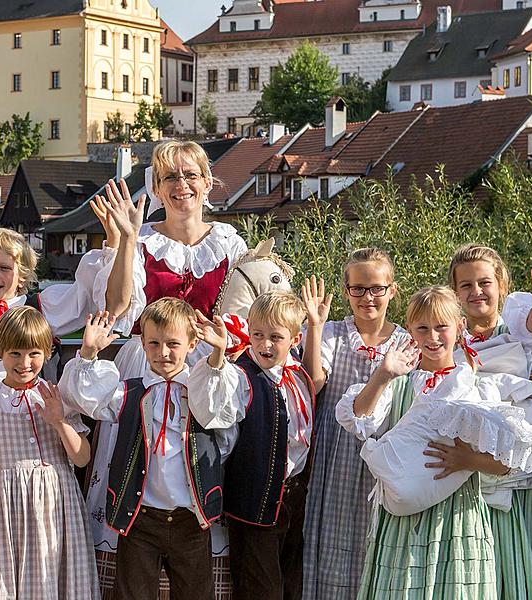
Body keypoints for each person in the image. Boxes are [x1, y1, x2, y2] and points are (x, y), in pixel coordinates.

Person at [90, 140, 248, 596]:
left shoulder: (229, 242)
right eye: (170, 178)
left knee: (199, 467)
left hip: (206, 366)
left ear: (207, 182)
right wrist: (123, 241)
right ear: (157, 188)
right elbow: (119, 309)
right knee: (137, 465)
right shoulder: (143, 239)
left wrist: (222, 352)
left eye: (190, 175)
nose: (182, 185)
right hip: (147, 358)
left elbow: (244, 315)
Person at [336, 286, 532, 598]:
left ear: (460, 327)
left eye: (441, 327)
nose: (432, 337)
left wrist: (465, 460)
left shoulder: (477, 387)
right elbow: (358, 418)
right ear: (410, 330)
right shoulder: (399, 384)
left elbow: (505, 463)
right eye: (422, 328)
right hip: (405, 523)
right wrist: (383, 374)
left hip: (457, 519)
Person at [60, 299, 235, 600]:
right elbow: (80, 396)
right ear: (142, 344)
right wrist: (88, 353)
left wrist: (218, 356)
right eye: (153, 343)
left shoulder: (202, 388)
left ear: (193, 344)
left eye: (172, 344)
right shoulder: (126, 392)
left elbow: (219, 414)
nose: (163, 352)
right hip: (139, 518)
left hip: (190, 520)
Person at [0, 306, 98, 599]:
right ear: (0, 352)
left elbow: (82, 458)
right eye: (15, 353)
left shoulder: (59, 397)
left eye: (34, 353)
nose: (25, 362)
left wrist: (60, 421)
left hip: (58, 511)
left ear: (46, 352)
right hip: (6, 513)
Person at [449, 243, 532, 598]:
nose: (476, 291)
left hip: (514, 468)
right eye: (465, 285)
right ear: (455, 292)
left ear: (500, 285)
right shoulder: (450, 337)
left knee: (518, 564)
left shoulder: (514, 332)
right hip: (468, 469)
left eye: (484, 282)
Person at [187, 291, 315, 600]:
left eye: (275, 337)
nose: (265, 344)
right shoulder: (241, 376)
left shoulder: (297, 375)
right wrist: (218, 357)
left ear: (295, 339)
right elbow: (211, 410)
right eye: (257, 335)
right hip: (254, 504)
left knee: (290, 585)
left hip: (294, 497)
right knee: (261, 589)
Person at [299, 249, 411, 599]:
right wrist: (315, 326)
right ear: (346, 291)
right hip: (336, 456)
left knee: (378, 546)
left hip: (386, 458)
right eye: (358, 289)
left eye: (376, 288)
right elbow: (313, 384)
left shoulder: (407, 340)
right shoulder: (331, 332)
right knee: (334, 543)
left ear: (392, 290)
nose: (368, 298)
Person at [0, 226, 116, 422]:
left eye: (5, 268)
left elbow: (83, 296)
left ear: (22, 276)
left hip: (34, 414)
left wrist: (111, 244)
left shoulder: (41, 307)